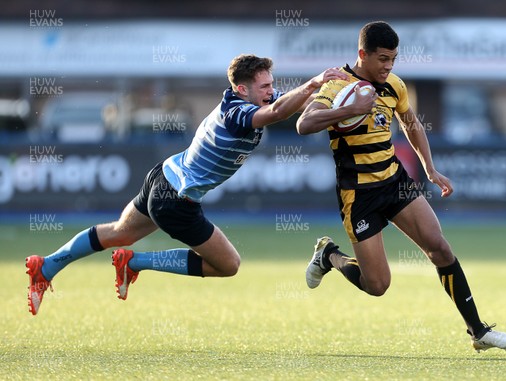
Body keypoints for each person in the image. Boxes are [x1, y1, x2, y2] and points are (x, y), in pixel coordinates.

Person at [26, 54, 347, 316]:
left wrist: (334, 99)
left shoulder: (254, 98)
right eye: (264, 86)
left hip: (163, 178)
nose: (270, 90)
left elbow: (290, 106)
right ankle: (136, 262)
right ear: (241, 89)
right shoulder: (236, 111)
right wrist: (316, 82)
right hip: (176, 200)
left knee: (118, 233)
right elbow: (278, 111)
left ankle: (48, 266)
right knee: (229, 265)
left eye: (271, 85)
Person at [296, 21, 506, 352]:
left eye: (393, 60)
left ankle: (478, 331)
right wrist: (349, 110)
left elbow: (411, 123)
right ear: (363, 54)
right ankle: (329, 255)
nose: (388, 66)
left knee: (440, 248)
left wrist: (429, 168)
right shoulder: (336, 86)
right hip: (358, 195)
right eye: (383, 59)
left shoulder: (394, 86)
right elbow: (303, 124)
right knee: (377, 285)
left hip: (395, 182)